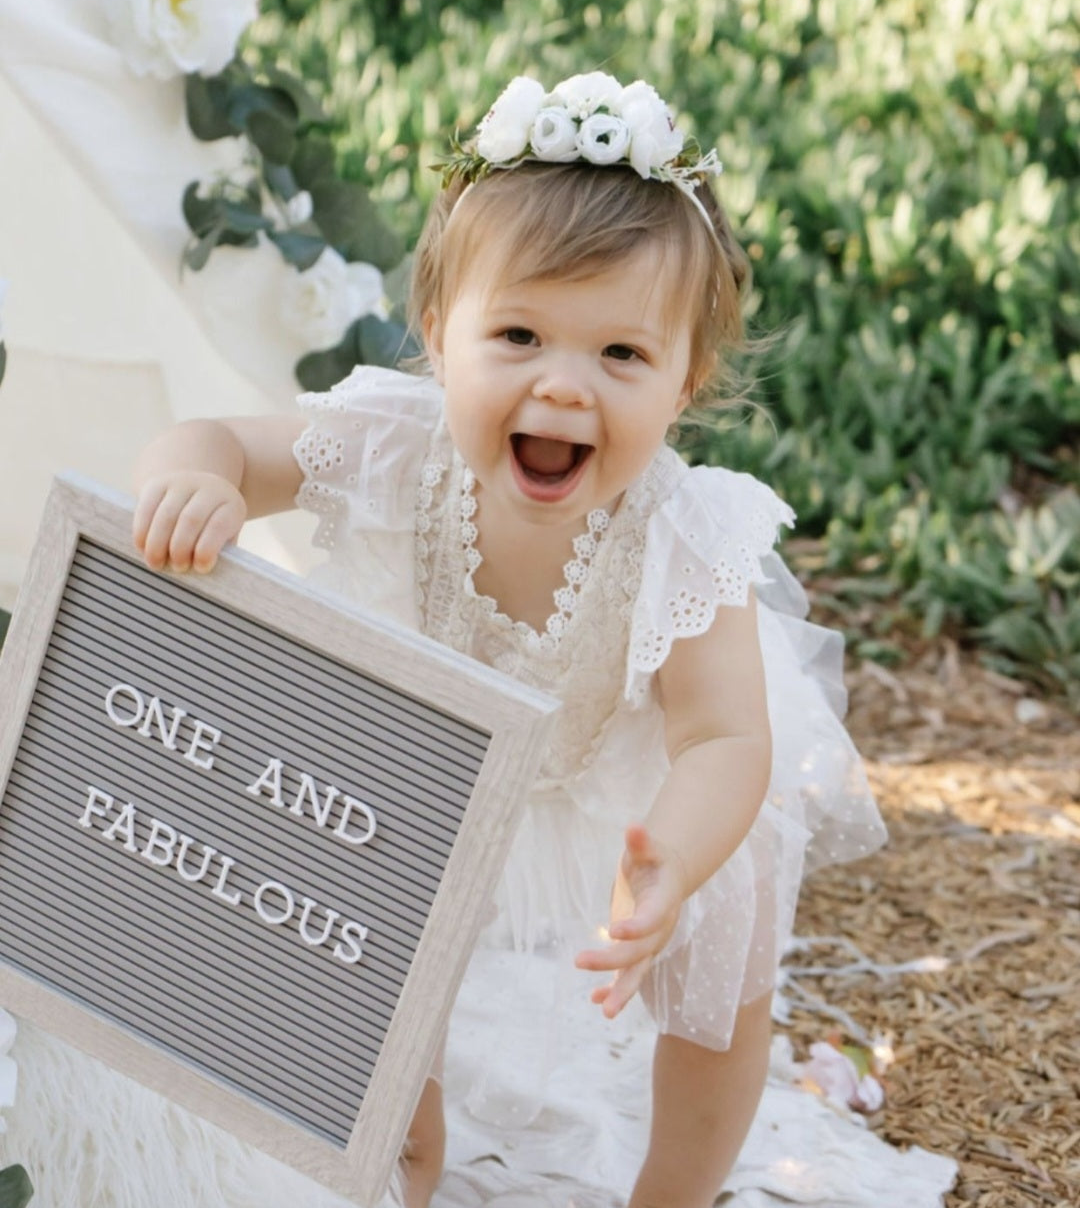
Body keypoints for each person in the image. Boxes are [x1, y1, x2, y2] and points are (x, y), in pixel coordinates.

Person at [132, 71, 887, 1208]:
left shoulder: (687, 532)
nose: (564, 386)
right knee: (366, 946)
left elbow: (727, 740)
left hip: (638, 784)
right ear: (441, 334)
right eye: (520, 334)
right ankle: (404, 1148)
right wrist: (194, 484)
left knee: (728, 944)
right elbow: (214, 443)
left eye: (621, 356)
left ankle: (675, 1190)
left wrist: (672, 863)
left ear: (687, 379)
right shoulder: (394, 441)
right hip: (427, 762)